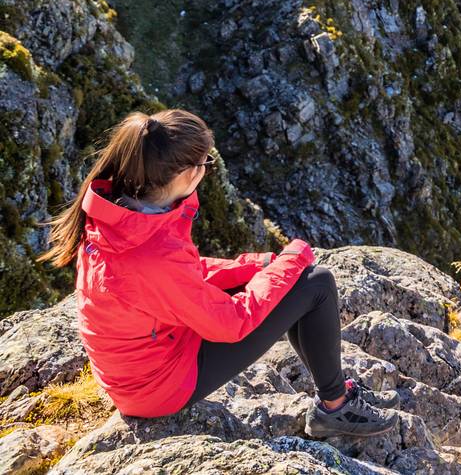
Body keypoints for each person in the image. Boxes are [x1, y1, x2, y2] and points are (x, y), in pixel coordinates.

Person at [40, 109, 400, 438]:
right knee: (316, 284)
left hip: (141, 365)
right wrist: (291, 259)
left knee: (287, 282)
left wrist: (255, 267)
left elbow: (185, 277)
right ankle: (335, 406)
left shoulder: (123, 214)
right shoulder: (151, 251)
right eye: (206, 163)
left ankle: (334, 394)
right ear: (187, 173)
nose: (206, 170)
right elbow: (230, 323)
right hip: (158, 388)